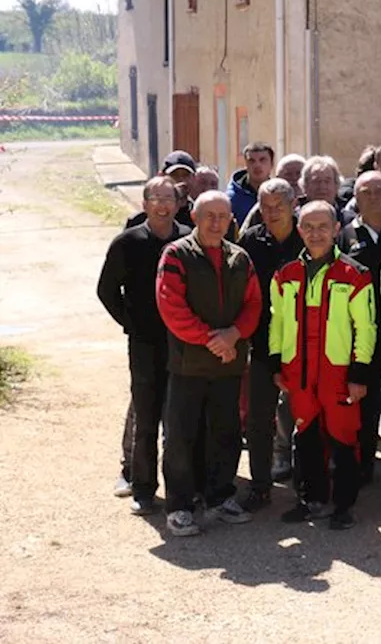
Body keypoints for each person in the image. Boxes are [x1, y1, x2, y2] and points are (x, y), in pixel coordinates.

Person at [155, 191, 262, 537]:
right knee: (181, 437)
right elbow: (171, 307)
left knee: (226, 433)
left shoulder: (241, 259)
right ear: (196, 218)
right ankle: (180, 507)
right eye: (209, 216)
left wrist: (234, 335)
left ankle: (220, 496)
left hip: (228, 365)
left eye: (222, 216)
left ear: (232, 220)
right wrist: (214, 341)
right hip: (189, 365)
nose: (216, 223)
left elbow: (253, 305)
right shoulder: (176, 255)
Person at [271, 201, 377, 530]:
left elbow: (367, 327)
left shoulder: (355, 275)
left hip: (339, 374)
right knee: (305, 437)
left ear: (335, 230)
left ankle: (343, 505)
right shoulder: (285, 275)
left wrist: (359, 374)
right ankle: (310, 500)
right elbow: (277, 324)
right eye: (308, 227)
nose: (315, 233)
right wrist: (277, 363)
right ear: (299, 230)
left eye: (322, 227)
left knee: (344, 440)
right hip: (299, 373)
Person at [98, 176, 190, 511]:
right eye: (157, 198)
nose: (164, 205)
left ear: (178, 204)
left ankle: (183, 489)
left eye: (170, 198)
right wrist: (131, 323)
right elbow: (107, 291)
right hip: (145, 345)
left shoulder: (186, 240)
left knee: (179, 421)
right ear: (145, 203)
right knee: (147, 419)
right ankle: (144, 490)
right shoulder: (127, 243)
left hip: (182, 344)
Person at [236, 178, 305, 510]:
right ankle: (260, 486)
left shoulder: (308, 238)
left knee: (306, 418)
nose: (272, 212)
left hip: (304, 345)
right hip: (263, 346)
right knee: (259, 420)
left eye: (279, 205)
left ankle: (308, 488)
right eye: (265, 206)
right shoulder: (250, 241)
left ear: (293, 205)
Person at [338, 171, 381, 483]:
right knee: (363, 400)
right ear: (357, 196)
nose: (375, 197)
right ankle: (363, 463)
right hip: (360, 333)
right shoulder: (344, 235)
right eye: (367, 191)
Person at [239, 153, 308, 229]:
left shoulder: (313, 205)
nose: (295, 178)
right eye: (288, 174)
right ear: (278, 178)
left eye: (299, 173)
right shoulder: (261, 209)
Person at [229, 142, 275, 225]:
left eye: (262, 160)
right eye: (251, 161)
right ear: (245, 164)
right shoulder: (232, 199)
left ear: (271, 164)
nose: (257, 165)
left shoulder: (279, 196)